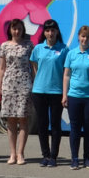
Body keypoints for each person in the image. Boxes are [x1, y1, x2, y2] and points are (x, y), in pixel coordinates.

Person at [61, 25, 89, 169]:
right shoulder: (71, 54)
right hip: (74, 96)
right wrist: (64, 95)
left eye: (88, 37)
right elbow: (66, 76)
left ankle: (87, 159)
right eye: (83, 36)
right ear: (79, 37)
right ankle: (74, 159)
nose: (85, 39)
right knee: (75, 128)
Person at [29, 20, 69, 167]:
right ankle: (45, 155)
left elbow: (67, 71)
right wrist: (39, 80)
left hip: (57, 92)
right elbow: (34, 66)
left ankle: (53, 156)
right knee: (42, 124)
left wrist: (65, 93)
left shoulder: (64, 49)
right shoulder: (38, 49)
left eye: (53, 30)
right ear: (44, 32)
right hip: (39, 91)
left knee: (56, 125)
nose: (50, 33)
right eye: (47, 30)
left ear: (57, 32)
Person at [0, 18, 34, 165]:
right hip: (9, 85)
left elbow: (33, 67)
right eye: (14, 29)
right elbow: (2, 68)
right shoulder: (4, 46)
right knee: (11, 120)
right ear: (10, 30)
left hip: (24, 84)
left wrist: (34, 84)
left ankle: (21, 153)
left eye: (19, 28)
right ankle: (12, 154)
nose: (16, 31)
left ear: (23, 30)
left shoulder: (29, 45)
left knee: (23, 119)